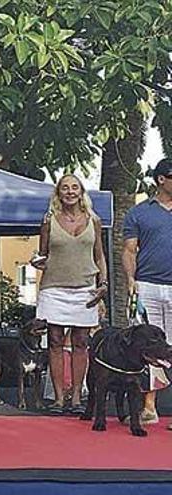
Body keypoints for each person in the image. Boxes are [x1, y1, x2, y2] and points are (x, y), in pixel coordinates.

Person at [32, 174, 106, 416]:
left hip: (85, 287)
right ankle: (58, 398)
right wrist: (36, 261)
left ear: (81, 191)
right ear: (59, 193)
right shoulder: (48, 220)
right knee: (54, 340)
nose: (70, 192)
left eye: (75, 187)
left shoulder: (93, 220)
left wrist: (103, 283)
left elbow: (99, 256)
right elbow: (41, 253)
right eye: (65, 188)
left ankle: (76, 397)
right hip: (54, 287)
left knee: (81, 343)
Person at [122, 158, 172, 427]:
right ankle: (149, 406)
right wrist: (131, 280)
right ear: (161, 179)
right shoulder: (139, 213)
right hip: (148, 286)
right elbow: (129, 250)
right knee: (150, 347)